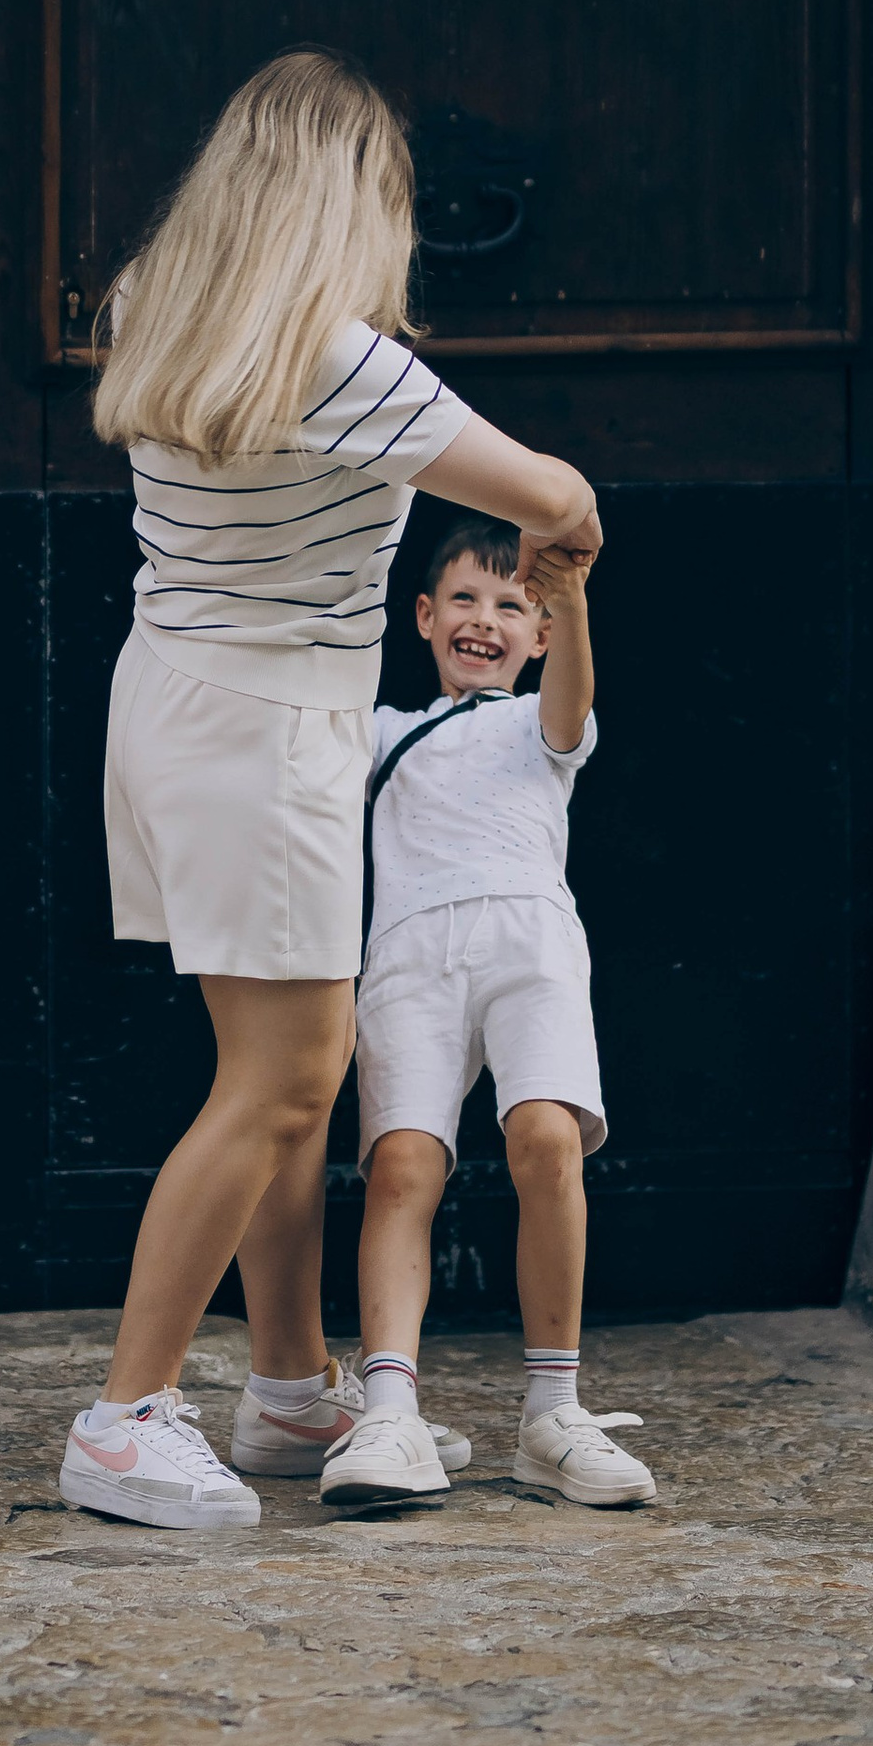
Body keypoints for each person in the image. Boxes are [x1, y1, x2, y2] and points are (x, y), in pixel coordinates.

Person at [55, 51, 603, 1532]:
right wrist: (578, 527)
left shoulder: (158, 318)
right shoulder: (345, 363)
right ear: (355, 205)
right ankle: (123, 1419)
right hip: (275, 730)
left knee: (283, 1062)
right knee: (288, 1078)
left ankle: (292, 1384)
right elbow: (547, 497)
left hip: (170, 700)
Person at [317, 509, 656, 1516]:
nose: (484, 617)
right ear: (422, 615)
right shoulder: (382, 732)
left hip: (530, 943)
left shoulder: (538, 724)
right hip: (408, 958)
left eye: (512, 605)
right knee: (402, 1167)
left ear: (539, 633)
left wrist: (574, 594)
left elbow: (573, 697)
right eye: (463, 597)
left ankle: (552, 1412)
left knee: (546, 1139)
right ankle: (388, 1407)